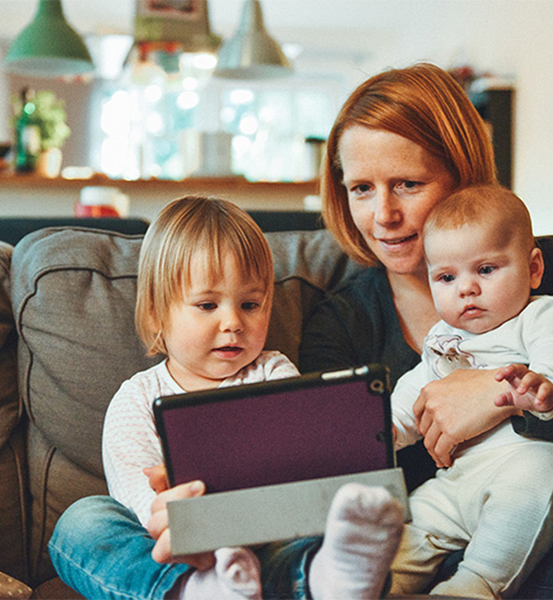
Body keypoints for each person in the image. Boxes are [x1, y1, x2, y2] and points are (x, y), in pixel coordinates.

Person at [298, 63, 553, 597]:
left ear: (462, 175)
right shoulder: (341, 324)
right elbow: (349, 476)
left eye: (407, 184)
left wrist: (496, 393)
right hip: (429, 529)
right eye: (362, 189)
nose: (384, 214)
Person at [48, 195, 405, 600]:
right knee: (82, 522)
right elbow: (139, 502)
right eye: (207, 305)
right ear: (155, 314)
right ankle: (196, 590)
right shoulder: (136, 399)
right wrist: (193, 528)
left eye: (250, 304)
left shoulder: (273, 372)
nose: (233, 322)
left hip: (268, 539)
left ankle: (329, 579)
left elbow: (303, 464)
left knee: (325, 532)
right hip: (179, 550)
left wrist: (353, 439)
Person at [388, 185, 553, 598]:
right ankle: (372, 581)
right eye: (447, 277)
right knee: (415, 515)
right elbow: (415, 392)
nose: (466, 288)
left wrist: (548, 384)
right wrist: (386, 429)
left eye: (486, 270)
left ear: (533, 268)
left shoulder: (540, 314)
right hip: (464, 479)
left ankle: (477, 584)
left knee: (528, 483)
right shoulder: (443, 339)